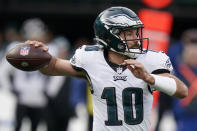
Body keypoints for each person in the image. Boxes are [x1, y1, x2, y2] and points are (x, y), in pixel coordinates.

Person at [19, 6, 188, 131]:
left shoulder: (151, 60)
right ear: (109, 36)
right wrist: (39, 56)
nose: (136, 38)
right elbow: (53, 67)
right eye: (128, 33)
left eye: (136, 32)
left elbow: (182, 91)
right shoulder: (91, 59)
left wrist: (150, 79)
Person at [168, 29, 197, 131]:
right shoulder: (180, 68)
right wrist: (184, 41)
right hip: (183, 114)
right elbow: (172, 53)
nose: (193, 53)